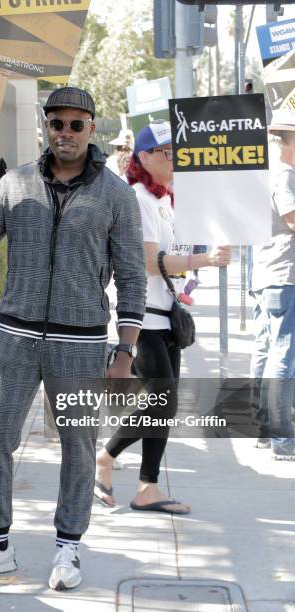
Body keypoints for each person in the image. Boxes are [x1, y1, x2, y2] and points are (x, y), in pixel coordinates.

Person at [0, 87, 147, 589]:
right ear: (46, 128)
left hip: (79, 345)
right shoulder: (14, 183)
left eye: (77, 125)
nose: (67, 133)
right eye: (57, 124)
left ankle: (68, 549)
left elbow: (132, 276)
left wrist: (125, 350)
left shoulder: (116, 195)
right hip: (14, 336)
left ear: (92, 129)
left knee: (79, 446)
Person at [94, 121, 231, 512]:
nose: (175, 159)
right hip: (143, 320)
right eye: (167, 152)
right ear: (143, 158)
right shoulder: (137, 197)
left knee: (164, 403)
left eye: (177, 152)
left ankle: (148, 487)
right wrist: (202, 259)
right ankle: (105, 457)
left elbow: (176, 258)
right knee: (162, 402)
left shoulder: (164, 198)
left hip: (166, 318)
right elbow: (149, 262)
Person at [250, 109, 295, 460]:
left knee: (266, 350)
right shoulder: (285, 175)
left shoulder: (266, 174)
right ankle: (282, 437)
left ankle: (263, 427)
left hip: (266, 273)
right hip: (284, 274)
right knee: (284, 355)